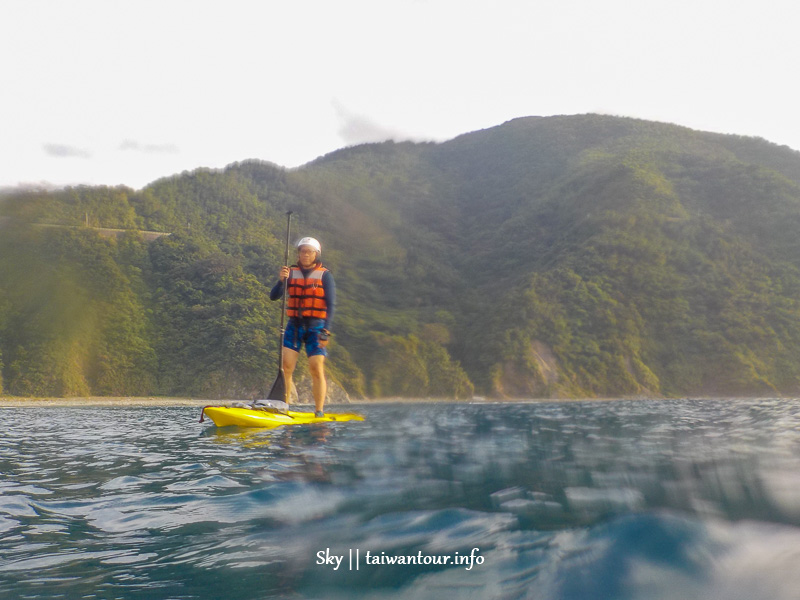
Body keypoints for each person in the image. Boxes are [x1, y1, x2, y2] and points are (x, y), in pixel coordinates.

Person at [270, 236, 336, 417]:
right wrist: (281, 281)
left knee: (316, 367)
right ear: (298, 253)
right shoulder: (289, 272)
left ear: (316, 254)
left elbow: (331, 305)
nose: (305, 254)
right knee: (287, 367)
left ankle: (319, 411)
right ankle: (285, 407)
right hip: (295, 325)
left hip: (316, 326)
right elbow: (274, 296)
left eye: (309, 251)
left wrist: (326, 331)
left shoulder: (325, 275)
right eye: (302, 251)